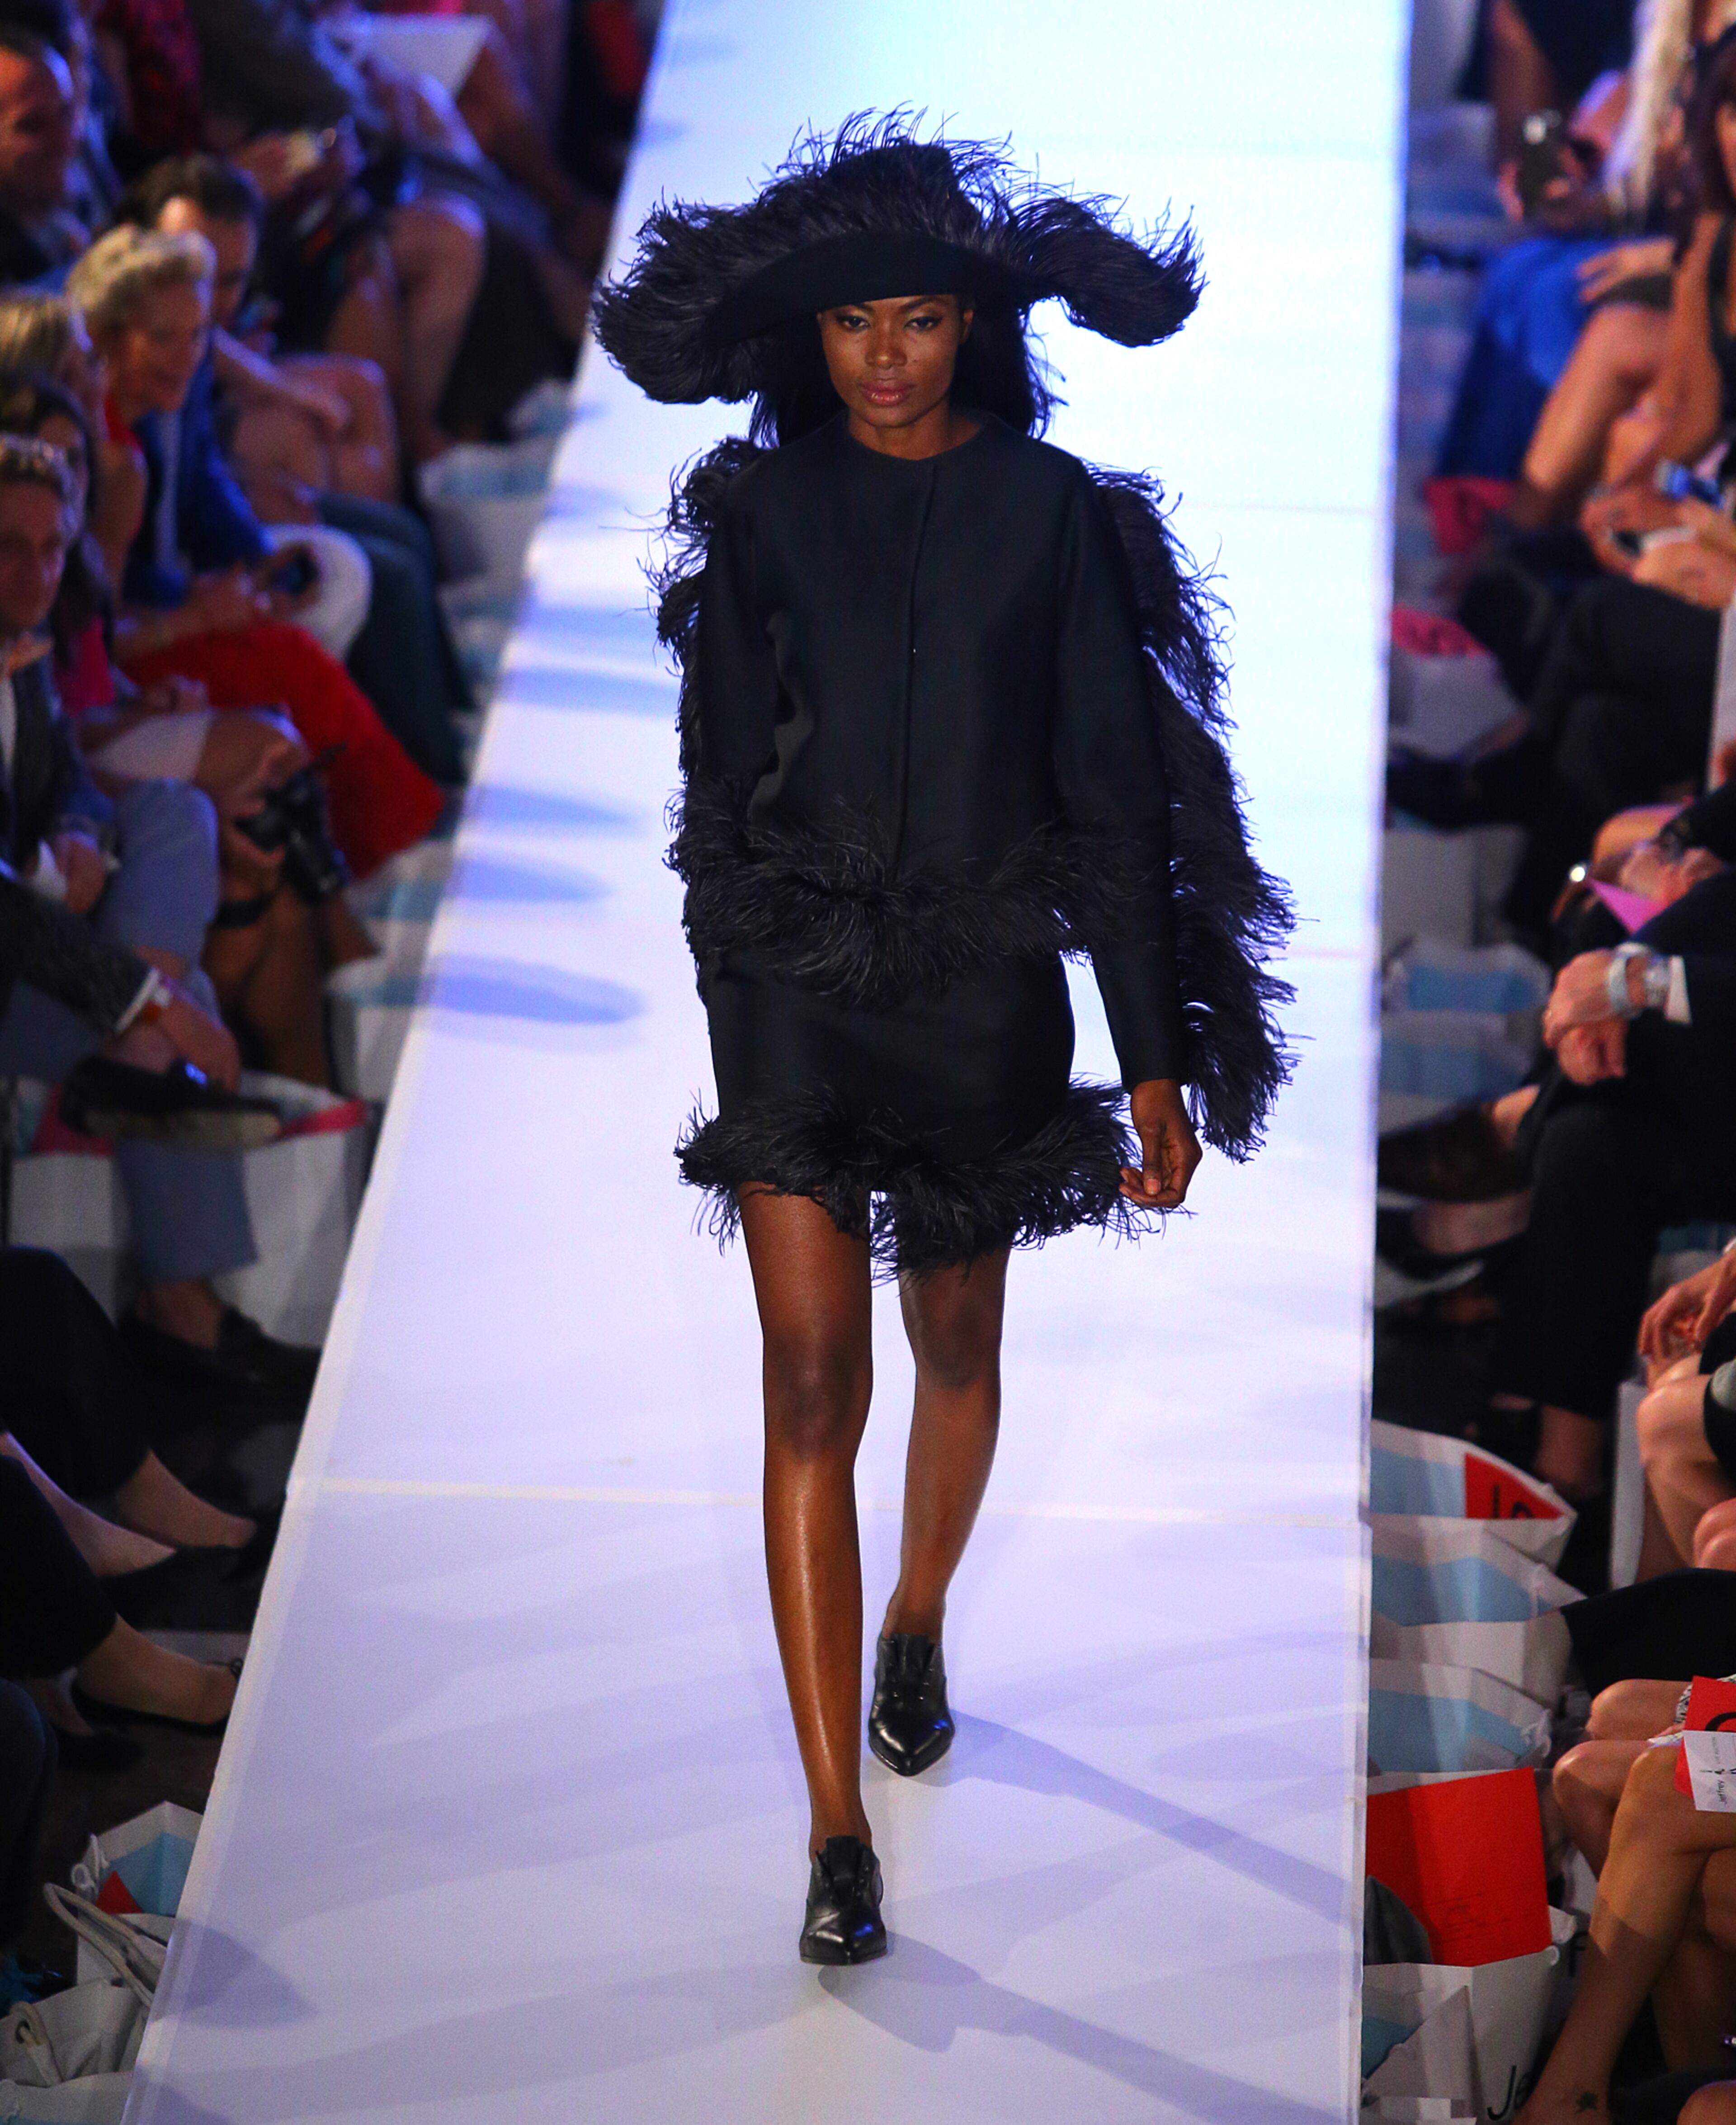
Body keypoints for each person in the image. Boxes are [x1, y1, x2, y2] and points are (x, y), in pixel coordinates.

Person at [595, 120, 1292, 1963]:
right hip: (796, 995)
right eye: (851, 327)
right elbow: (717, 786)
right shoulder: (758, 516)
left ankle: (914, 1616)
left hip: (983, 988)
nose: (884, 356)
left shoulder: (1053, 513)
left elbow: (1112, 796)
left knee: (955, 1332)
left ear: (965, 328)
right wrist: (734, 975)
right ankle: (835, 1828)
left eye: (917, 321)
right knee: (812, 1381)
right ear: (810, 342)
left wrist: (1155, 1053)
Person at [65, 221, 442, 875]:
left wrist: (248, 562)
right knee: (289, 659)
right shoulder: (101, 457)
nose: (186, 357)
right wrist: (199, 612)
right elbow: (97, 631)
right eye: (162, 338)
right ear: (105, 335)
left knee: (335, 577)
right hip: (124, 668)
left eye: (196, 336)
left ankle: (383, 821)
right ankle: (382, 842)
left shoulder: (161, 404)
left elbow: (205, 487)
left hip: (171, 612)